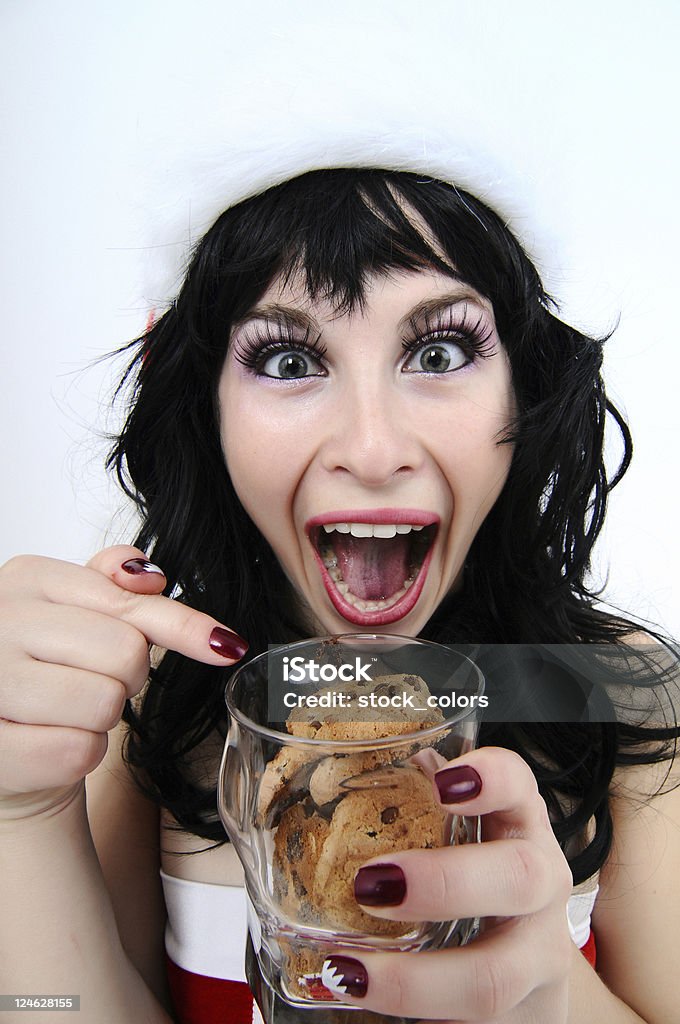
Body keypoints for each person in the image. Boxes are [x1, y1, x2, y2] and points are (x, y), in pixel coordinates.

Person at [0, 166, 678, 1024]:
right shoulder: (137, 708)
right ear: (206, 405)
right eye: (288, 359)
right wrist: (18, 816)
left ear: (525, 389)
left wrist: (552, 996)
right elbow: (42, 1004)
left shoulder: (631, 695)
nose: (370, 446)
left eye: (438, 352)